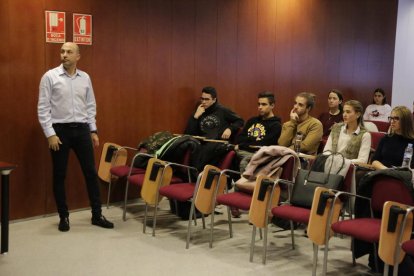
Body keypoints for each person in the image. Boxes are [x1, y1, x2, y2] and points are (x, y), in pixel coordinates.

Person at [38, 42, 114, 232]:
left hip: (81, 130)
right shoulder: (50, 77)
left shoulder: (85, 78)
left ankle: (97, 215)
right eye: (62, 51)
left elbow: (90, 106)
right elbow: (43, 108)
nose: (64, 55)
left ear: (78, 56)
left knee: (90, 172)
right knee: (59, 174)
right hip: (59, 132)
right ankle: (64, 217)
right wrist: (50, 134)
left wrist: (93, 130)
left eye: (69, 52)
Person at [184, 86, 244, 171]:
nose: (203, 102)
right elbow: (188, 133)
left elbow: (240, 121)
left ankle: (196, 174)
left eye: (207, 99)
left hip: (217, 144)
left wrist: (230, 129)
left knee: (208, 149)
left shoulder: (222, 110)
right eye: (202, 99)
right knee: (187, 145)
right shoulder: (199, 111)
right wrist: (195, 117)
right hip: (202, 143)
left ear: (214, 100)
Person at [235, 91, 282, 173]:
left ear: (272, 105)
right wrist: (250, 142)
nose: (260, 107)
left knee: (245, 162)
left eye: (264, 104)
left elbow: (263, 144)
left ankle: (242, 185)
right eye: (259, 104)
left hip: (259, 155)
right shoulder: (252, 120)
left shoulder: (276, 125)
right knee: (223, 152)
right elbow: (239, 138)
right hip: (243, 151)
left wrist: (243, 144)